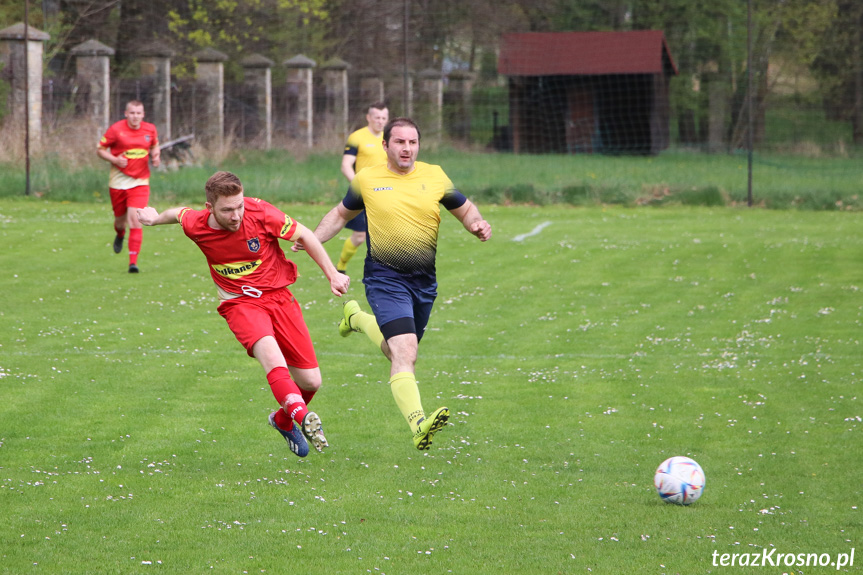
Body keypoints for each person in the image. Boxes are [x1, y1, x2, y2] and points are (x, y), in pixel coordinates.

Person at [302, 117, 492, 450]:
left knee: (397, 350)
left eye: (413, 142)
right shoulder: (369, 178)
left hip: (424, 282)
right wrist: (310, 239)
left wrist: (477, 224)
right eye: (400, 142)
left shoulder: (434, 175)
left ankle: (357, 319)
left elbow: (465, 209)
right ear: (386, 145)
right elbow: (340, 214)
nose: (407, 148)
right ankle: (419, 423)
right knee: (406, 351)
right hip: (384, 278)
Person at [137, 171, 350, 456]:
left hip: (279, 298)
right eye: (227, 209)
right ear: (209, 208)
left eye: (239, 206)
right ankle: (304, 418)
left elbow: (305, 234)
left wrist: (332, 273)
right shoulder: (197, 224)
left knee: (311, 381)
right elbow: (178, 213)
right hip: (239, 303)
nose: (236, 214)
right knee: (272, 357)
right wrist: (153, 218)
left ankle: (283, 420)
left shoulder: (261, 213)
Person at [97, 100, 161, 273]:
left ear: (143, 114)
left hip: (140, 182)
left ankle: (133, 263)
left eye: (138, 113)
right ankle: (120, 234)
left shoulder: (150, 129)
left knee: (135, 218)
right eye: (132, 113)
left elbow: (155, 145)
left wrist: (156, 156)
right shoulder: (116, 130)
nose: (135, 116)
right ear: (126, 113)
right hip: (118, 182)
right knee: (120, 221)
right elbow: (100, 149)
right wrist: (115, 159)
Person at [336, 102, 390, 274]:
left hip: (386, 193)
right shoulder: (357, 137)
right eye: (377, 117)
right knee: (360, 236)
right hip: (362, 192)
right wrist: (360, 185)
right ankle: (341, 265)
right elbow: (346, 165)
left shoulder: (390, 138)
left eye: (384, 118)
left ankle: (386, 272)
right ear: (369, 118)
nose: (380, 121)